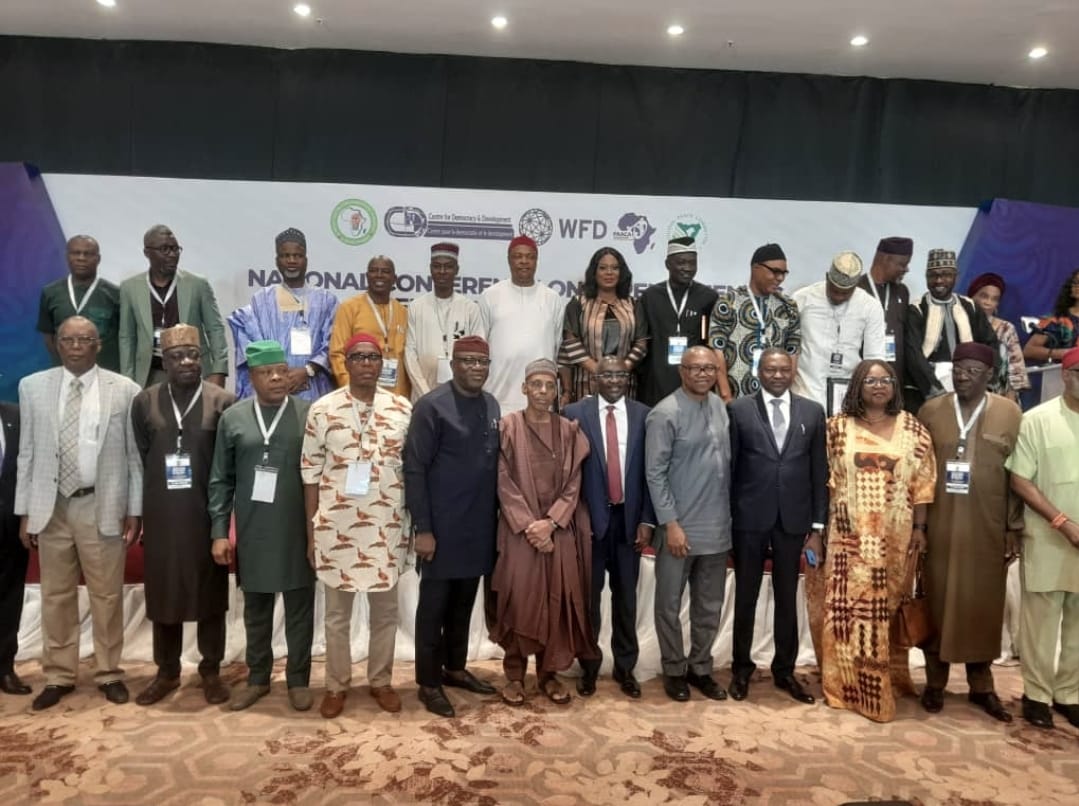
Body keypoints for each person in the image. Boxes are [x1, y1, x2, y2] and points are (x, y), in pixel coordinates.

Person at [15, 316, 142, 710]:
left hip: (101, 503)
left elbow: (134, 458)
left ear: (98, 344)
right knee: (56, 595)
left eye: (84, 339)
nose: (75, 346)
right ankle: (59, 674)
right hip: (50, 505)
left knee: (106, 596)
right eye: (67, 339)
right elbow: (27, 453)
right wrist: (25, 511)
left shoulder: (125, 390)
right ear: (58, 344)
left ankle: (108, 672)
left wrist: (135, 510)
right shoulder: (32, 387)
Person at [817, 358, 937, 722]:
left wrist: (920, 528)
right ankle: (843, 688)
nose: (878, 386)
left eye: (885, 380)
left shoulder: (913, 429)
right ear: (857, 386)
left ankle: (882, 685)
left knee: (882, 612)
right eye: (870, 380)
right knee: (844, 613)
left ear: (895, 387)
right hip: (848, 538)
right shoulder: (836, 428)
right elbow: (825, 482)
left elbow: (923, 484)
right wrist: (818, 532)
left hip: (894, 539)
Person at [303, 333, 412, 718]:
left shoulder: (402, 408)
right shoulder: (321, 409)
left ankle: (381, 680)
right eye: (358, 357)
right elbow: (310, 475)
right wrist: (311, 533)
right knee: (336, 616)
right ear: (346, 364)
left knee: (386, 613)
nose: (367, 363)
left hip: (387, 526)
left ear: (382, 363)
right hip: (336, 527)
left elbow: (411, 471)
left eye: (373, 357)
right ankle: (336, 685)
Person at [916, 342, 1022, 722]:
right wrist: (920, 526)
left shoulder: (1010, 413)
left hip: (988, 528)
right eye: (958, 368)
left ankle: (982, 687)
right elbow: (919, 475)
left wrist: (1013, 527)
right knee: (937, 601)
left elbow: (1019, 476)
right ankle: (934, 684)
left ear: (989, 375)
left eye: (972, 370)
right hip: (940, 528)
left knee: (983, 605)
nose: (962, 375)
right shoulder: (930, 411)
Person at [130, 325, 235, 707]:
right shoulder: (144, 402)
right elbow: (142, 455)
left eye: (193, 354)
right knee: (165, 592)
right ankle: (167, 671)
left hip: (206, 516)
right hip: (161, 515)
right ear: (165, 360)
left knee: (209, 592)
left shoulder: (223, 401)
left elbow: (229, 464)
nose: (187, 362)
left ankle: (211, 670)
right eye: (177, 356)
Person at [208, 340, 316, 712]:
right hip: (254, 530)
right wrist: (220, 532)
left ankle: (299, 680)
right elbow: (221, 479)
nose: (276, 378)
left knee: (300, 608)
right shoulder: (233, 418)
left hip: (299, 531)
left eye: (282, 371)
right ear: (251, 377)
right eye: (266, 373)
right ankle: (257, 678)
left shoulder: (308, 415)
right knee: (256, 608)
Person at [488, 358, 597, 705]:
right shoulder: (507, 427)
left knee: (557, 600)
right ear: (523, 388)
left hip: (558, 531)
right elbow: (502, 479)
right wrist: (529, 525)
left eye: (550, 386)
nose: (543, 391)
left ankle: (548, 675)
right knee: (518, 599)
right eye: (536, 384)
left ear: (557, 390)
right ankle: (515, 676)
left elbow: (573, 483)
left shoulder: (568, 431)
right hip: (519, 532)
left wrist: (550, 522)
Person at [404, 335, 500, 718]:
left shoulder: (491, 404)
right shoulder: (431, 407)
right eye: (469, 361)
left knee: (463, 605)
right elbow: (414, 469)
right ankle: (428, 682)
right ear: (454, 364)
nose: (476, 368)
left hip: (478, 527)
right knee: (434, 609)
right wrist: (423, 529)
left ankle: (455, 668)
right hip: (440, 530)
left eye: (482, 362)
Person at [727, 348, 826, 705]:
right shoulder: (738, 410)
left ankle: (785, 670)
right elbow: (730, 470)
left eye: (784, 369)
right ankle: (741, 668)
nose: (778, 375)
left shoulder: (813, 412)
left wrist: (817, 526)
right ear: (759, 371)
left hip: (793, 520)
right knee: (746, 596)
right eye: (771, 369)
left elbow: (819, 472)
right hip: (749, 519)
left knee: (787, 597)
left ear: (793, 371)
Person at [564, 355, 655, 699]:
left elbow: (650, 473)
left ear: (627, 378)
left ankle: (625, 667)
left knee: (626, 599)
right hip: (590, 523)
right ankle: (588, 666)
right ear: (594, 379)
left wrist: (647, 520)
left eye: (620, 374)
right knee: (589, 600)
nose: (614, 379)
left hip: (630, 523)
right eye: (607, 374)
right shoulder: (574, 414)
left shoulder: (645, 416)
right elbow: (568, 475)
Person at [646, 346, 733, 702]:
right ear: (682, 371)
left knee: (709, 606)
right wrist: (670, 523)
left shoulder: (720, 407)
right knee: (668, 603)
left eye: (709, 368)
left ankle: (700, 668)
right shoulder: (664, 413)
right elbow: (654, 474)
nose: (702, 374)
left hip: (718, 528)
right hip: (679, 529)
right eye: (695, 368)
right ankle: (673, 669)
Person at [1004, 345, 1079, 730]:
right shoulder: (1037, 419)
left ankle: (1069, 694)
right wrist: (1064, 523)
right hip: (1050, 536)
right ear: (1065, 375)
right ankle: (1037, 694)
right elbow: (1020, 479)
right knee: (1041, 620)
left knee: (1078, 624)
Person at [228, 228, 338, 401]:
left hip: (316, 390)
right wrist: (279, 374)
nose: (291, 261)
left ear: (306, 260)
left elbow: (333, 343)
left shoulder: (326, 300)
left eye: (297, 256)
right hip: (274, 388)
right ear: (277, 261)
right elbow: (254, 346)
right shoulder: (262, 299)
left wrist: (308, 370)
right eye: (285, 256)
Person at [118, 225, 229, 389]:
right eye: (164, 249)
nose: (172, 254)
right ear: (147, 252)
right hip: (150, 374)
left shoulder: (197, 284)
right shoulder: (130, 288)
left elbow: (215, 329)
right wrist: (127, 380)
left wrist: (219, 371)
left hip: (193, 371)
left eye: (175, 249)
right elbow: (127, 338)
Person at [478, 236, 564, 414]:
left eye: (530, 256)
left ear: (536, 260)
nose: (524, 261)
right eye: (518, 256)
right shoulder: (490, 296)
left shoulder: (552, 299)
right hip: (498, 397)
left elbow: (557, 348)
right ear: (509, 260)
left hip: (541, 400)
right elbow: (480, 347)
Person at [791, 251, 886, 412]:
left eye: (845, 293)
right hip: (804, 394)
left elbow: (874, 359)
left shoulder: (870, 306)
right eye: (834, 290)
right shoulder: (802, 299)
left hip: (846, 398)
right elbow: (788, 349)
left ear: (855, 287)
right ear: (827, 277)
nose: (839, 297)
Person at [904, 249, 997, 412]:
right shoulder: (917, 309)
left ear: (955, 276)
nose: (939, 280)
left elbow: (990, 343)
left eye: (946, 274)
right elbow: (913, 354)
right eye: (933, 275)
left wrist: (984, 380)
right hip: (926, 386)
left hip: (969, 381)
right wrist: (935, 390)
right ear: (926, 278)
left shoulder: (970, 306)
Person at [709, 243, 801, 401]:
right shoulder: (729, 302)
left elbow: (792, 353)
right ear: (756, 268)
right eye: (775, 272)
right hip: (735, 398)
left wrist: (783, 397)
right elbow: (716, 351)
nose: (780, 278)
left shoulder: (788, 307)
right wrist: (726, 396)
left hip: (774, 399)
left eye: (783, 273)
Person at [634, 237, 718, 407]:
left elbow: (710, 343)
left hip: (694, 380)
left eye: (692, 263)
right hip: (656, 381)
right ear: (667, 264)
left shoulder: (708, 297)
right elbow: (642, 340)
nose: (687, 268)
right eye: (681, 262)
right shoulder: (650, 297)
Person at [559, 247, 647, 405]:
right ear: (594, 272)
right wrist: (599, 370)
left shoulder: (634, 305)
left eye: (615, 268)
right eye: (603, 268)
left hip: (624, 387)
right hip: (586, 386)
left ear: (622, 273)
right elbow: (570, 344)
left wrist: (619, 371)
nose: (609, 272)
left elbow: (641, 344)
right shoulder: (578, 304)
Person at [403, 242, 484, 402]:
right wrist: (426, 395)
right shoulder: (416, 307)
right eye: (437, 266)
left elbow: (477, 353)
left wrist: (463, 389)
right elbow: (410, 355)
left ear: (456, 270)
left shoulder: (470, 308)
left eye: (448, 267)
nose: (442, 272)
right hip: (422, 395)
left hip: (461, 397)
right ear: (430, 269)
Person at [329, 255, 411, 399]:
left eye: (385, 271)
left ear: (394, 278)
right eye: (374, 271)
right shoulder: (349, 308)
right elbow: (337, 354)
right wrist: (350, 388)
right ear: (367, 276)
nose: (379, 275)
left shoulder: (403, 312)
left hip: (397, 395)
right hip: (358, 393)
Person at [38, 235, 121, 373]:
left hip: (104, 372)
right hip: (64, 371)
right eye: (76, 253)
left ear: (98, 259)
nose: (81, 258)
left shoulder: (116, 294)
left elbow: (124, 337)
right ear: (67, 257)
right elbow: (48, 336)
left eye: (87, 254)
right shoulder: (50, 293)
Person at [858, 236, 914, 386]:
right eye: (902, 264)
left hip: (894, 380)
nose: (906, 269)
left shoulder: (902, 292)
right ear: (885, 259)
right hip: (864, 379)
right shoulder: (857, 289)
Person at [0, 401, 29, 695]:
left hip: (9, 524)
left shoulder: (15, 416)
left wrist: (26, 517)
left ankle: (5, 669)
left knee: (9, 598)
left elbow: (27, 467)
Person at [967, 273, 1031, 402]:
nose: (988, 303)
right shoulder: (959, 323)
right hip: (963, 394)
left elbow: (1016, 370)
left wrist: (1009, 404)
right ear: (971, 296)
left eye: (994, 299)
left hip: (999, 398)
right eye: (984, 296)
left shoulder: (1006, 329)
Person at [1023, 268, 1079, 363]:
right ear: (1071, 289)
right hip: (1062, 375)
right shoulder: (1056, 319)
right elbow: (1029, 350)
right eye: (1076, 282)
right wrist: (1067, 353)